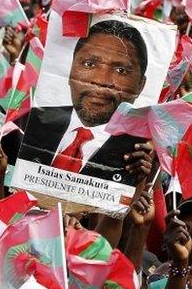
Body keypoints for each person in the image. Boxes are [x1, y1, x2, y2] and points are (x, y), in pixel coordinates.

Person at [17, 19, 150, 184]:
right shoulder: (28, 122)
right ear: (71, 70)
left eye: (120, 71)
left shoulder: (138, 156)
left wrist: (140, 186)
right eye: (89, 64)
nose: (101, 80)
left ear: (140, 85)